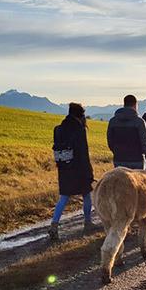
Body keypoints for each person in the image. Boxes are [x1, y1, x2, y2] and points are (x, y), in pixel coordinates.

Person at [49, 103, 95, 242]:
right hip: (79, 169)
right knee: (86, 195)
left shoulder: (58, 129)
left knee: (63, 197)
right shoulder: (80, 130)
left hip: (64, 168)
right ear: (80, 114)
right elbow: (83, 153)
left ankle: (54, 225)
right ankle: (87, 222)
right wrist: (89, 172)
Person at [107, 94, 146, 169]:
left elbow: (110, 141)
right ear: (135, 105)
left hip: (119, 161)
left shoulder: (113, 121)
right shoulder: (139, 122)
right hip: (137, 161)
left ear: (124, 104)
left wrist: (117, 152)